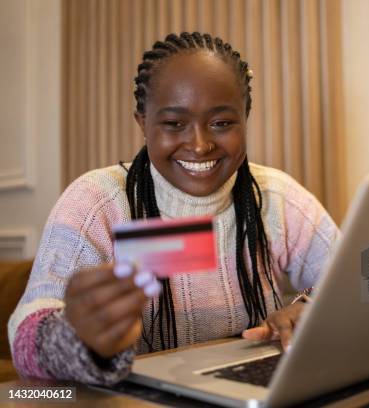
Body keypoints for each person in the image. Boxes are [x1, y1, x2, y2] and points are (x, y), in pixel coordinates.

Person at [8, 32, 339, 385]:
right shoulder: (97, 201)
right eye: (173, 124)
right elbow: (25, 338)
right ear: (142, 123)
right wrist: (76, 337)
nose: (199, 145)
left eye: (222, 123)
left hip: (248, 391)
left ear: (246, 117)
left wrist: (311, 309)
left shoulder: (275, 196)